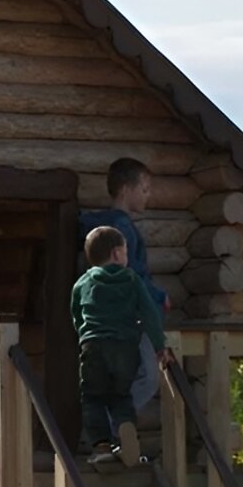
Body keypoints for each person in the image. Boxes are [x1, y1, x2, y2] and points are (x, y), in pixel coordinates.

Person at [70, 225, 166, 468]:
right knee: (121, 395)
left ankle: (102, 447)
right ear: (116, 254)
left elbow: (76, 314)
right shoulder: (131, 280)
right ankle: (125, 434)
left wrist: (83, 335)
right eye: (125, 252)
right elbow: (149, 314)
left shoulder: (83, 283)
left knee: (93, 398)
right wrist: (159, 347)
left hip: (93, 346)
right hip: (125, 347)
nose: (126, 256)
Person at [80, 157, 171, 413]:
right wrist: (159, 297)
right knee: (147, 378)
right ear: (125, 190)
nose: (148, 196)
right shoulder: (121, 229)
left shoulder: (100, 229)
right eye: (144, 189)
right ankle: (111, 429)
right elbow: (129, 275)